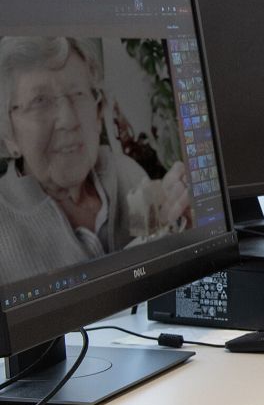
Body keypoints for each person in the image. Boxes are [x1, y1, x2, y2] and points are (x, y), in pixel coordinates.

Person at [0, 36, 191, 284]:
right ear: (9, 135)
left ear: (98, 113)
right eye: (40, 101)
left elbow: (156, 238)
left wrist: (177, 222)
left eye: (78, 94)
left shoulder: (124, 172)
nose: (68, 120)